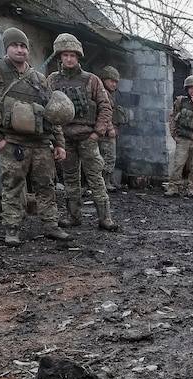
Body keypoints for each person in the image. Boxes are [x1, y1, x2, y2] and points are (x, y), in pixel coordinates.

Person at [0, 27, 72, 245]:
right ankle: (12, 229)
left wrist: (59, 144)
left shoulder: (39, 78)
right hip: (12, 142)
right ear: (7, 47)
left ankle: (51, 225)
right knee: (12, 186)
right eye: (15, 45)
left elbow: (52, 113)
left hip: (40, 143)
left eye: (23, 46)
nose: (19, 50)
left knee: (46, 186)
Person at [48, 33, 118, 231]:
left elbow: (105, 107)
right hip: (64, 139)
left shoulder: (91, 80)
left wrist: (97, 132)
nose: (69, 59)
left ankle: (105, 218)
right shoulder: (52, 80)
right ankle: (73, 216)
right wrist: (55, 138)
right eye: (65, 55)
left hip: (87, 137)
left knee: (95, 177)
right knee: (70, 178)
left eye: (73, 55)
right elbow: (46, 107)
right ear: (59, 57)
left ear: (78, 57)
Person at [98, 65, 127, 192]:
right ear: (104, 80)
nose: (114, 84)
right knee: (108, 157)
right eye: (112, 81)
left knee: (111, 156)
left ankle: (110, 180)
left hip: (111, 130)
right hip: (105, 132)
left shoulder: (110, 94)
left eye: (116, 82)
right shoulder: (102, 93)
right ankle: (105, 182)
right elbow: (104, 114)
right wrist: (110, 129)